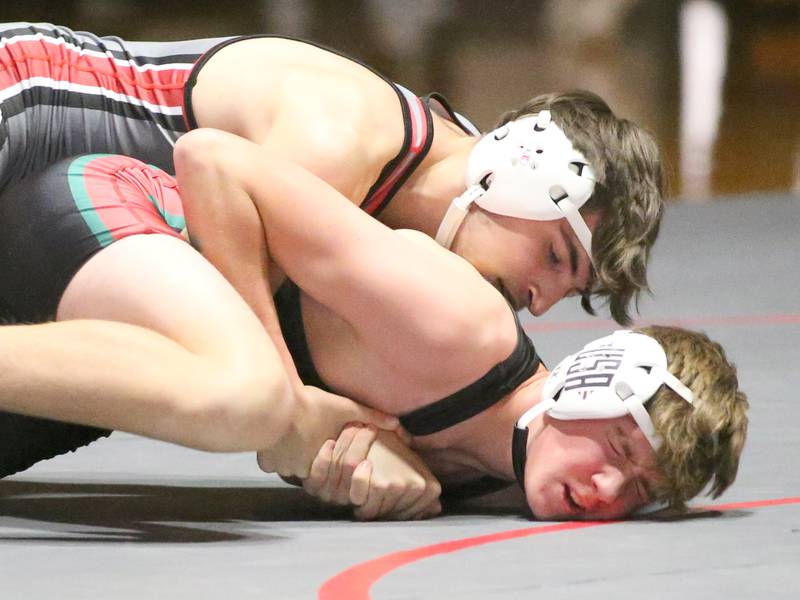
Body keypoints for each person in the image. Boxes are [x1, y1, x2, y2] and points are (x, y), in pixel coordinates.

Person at [0, 125, 746, 522]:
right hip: (114, 213)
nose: (609, 488)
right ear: (590, 384)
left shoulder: (478, 479)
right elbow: (214, 160)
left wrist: (343, 479)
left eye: (638, 491)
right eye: (620, 447)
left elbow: (311, 449)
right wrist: (289, 407)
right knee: (250, 400)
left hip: (123, 311)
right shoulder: (461, 327)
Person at [0, 21, 663, 324]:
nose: (539, 302)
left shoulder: (420, 189)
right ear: (523, 173)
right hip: (22, 102)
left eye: (564, 292)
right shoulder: (342, 136)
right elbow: (223, 327)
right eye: (554, 257)